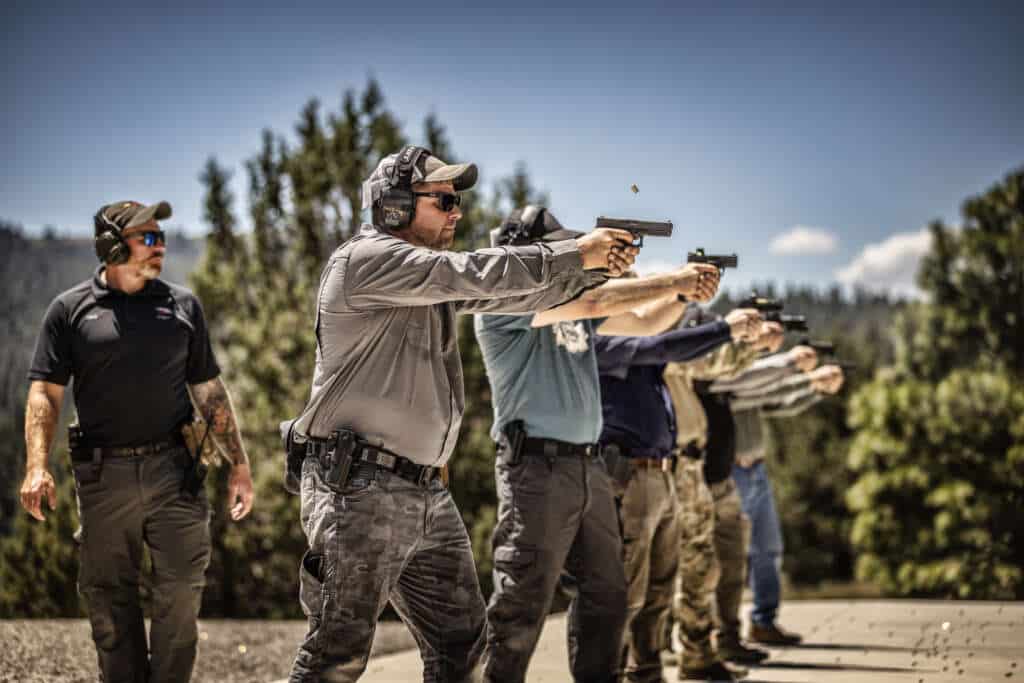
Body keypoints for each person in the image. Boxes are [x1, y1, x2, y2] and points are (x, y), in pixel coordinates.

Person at [284, 149, 637, 682]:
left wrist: (589, 271)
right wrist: (574, 252)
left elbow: (518, 293)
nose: (457, 212)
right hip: (360, 487)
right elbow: (471, 271)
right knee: (337, 652)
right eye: (444, 200)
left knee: (463, 647)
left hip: (425, 491)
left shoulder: (428, 285)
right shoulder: (367, 259)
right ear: (396, 206)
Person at [475, 205, 722, 683]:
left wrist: (681, 294)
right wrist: (675, 280)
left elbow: (644, 322)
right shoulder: (505, 298)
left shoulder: (568, 306)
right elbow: (594, 303)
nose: (572, 257)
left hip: (587, 468)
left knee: (608, 598)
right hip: (536, 467)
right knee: (521, 603)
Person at [20, 200, 255, 682]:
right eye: (147, 237)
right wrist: (36, 466)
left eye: (161, 236)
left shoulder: (183, 306)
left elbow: (209, 391)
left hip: (176, 474)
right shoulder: (69, 311)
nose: (160, 246)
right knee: (109, 603)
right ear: (111, 245)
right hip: (104, 479)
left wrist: (240, 465)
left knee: (183, 593)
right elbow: (44, 392)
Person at [595, 306, 761, 682]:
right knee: (627, 592)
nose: (640, 311)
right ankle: (617, 671)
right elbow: (670, 348)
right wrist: (714, 320)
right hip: (630, 473)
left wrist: (746, 342)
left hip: (663, 470)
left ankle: (649, 671)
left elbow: (701, 362)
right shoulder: (609, 340)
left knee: (659, 588)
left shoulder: (646, 350)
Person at [662, 310, 776, 680]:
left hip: (691, 468)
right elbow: (710, 362)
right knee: (665, 579)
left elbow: (718, 365)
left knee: (701, 568)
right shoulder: (656, 348)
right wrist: (741, 338)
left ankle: (696, 657)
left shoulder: (669, 352)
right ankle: (657, 663)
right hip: (675, 467)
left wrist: (752, 344)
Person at [725, 356, 845, 647]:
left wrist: (816, 390)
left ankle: (763, 622)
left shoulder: (749, 382)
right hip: (729, 472)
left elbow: (779, 403)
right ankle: (722, 633)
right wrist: (808, 379)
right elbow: (756, 393)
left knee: (768, 548)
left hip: (756, 470)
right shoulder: (728, 380)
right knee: (728, 557)